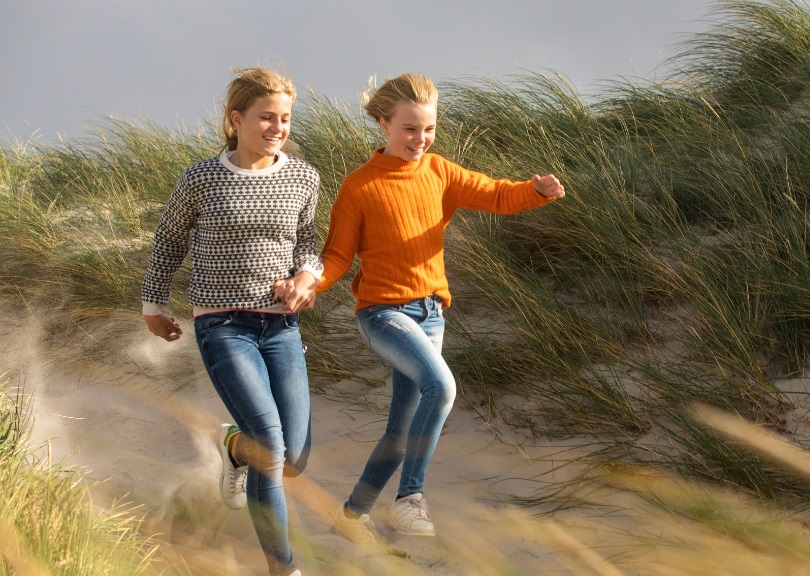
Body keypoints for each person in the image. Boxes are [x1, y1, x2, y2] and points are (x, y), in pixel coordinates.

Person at [317, 73, 565, 541]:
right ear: (384, 125)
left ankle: (350, 517)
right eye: (410, 129)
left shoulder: (439, 172)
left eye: (429, 129)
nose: (421, 138)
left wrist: (536, 192)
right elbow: (337, 257)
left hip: (430, 314)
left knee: (400, 431)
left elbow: (496, 194)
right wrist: (308, 284)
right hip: (382, 314)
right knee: (442, 386)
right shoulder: (359, 186)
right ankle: (410, 498)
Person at [141, 67, 321, 576]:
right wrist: (153, 305)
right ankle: (283, 568)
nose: (277, 127)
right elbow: (169, 240)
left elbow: (307, 243)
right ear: (236, 119)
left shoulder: (303, 177)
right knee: (271, 447)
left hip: (281, 327)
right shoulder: (201, 178)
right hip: (222, 326)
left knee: (294, 457)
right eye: (266, 117)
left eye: (285, 118)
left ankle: (232, 447)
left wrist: (305, 278)